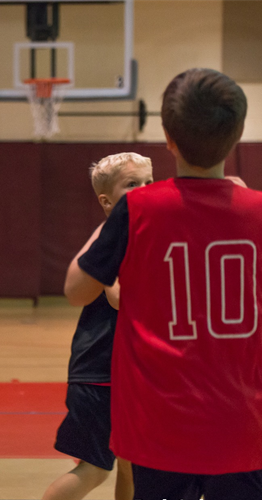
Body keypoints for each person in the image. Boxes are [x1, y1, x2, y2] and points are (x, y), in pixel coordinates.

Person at [65, 68, 262, 499]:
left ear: (168, 139)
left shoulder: (138, 209)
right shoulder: (257, 211)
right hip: (243, 421)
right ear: (239, 134)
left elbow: (77, 290)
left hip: (162, 425)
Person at [43, 152, 153, 500]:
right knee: (95, 469)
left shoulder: (131, 231)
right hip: (101, 374)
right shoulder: (113, 235)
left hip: (119, 372)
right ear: (107, 201)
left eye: (149, 182)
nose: (144, 190)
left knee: (130, 464)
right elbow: (118, 296)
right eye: (132, 184)